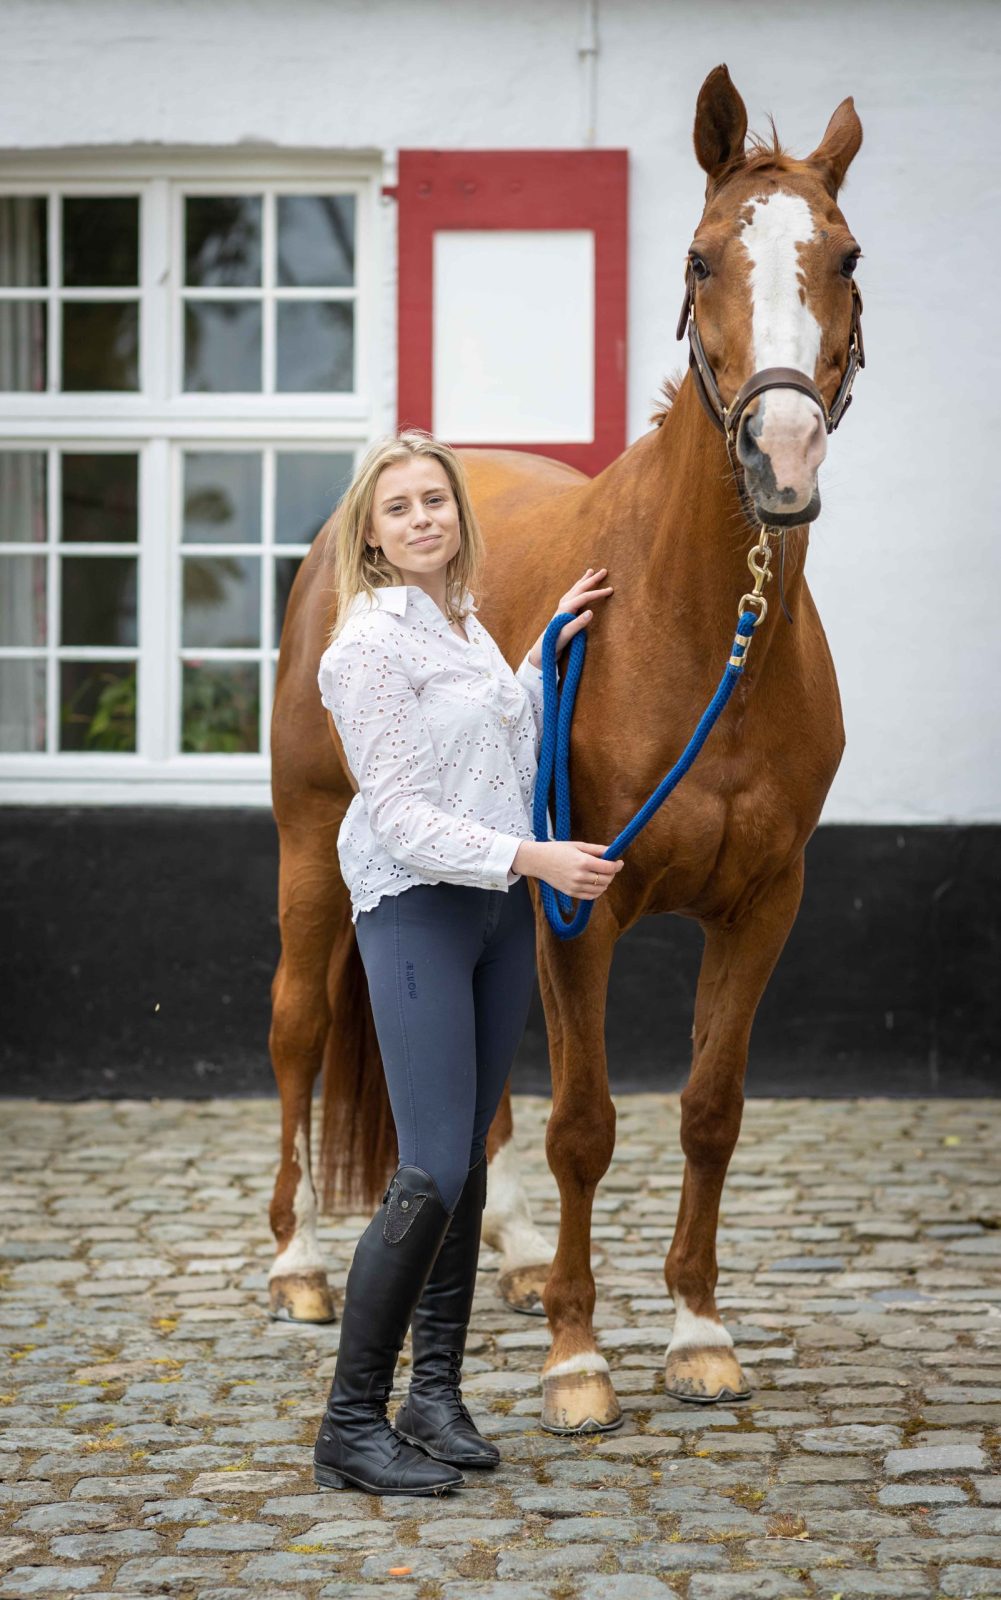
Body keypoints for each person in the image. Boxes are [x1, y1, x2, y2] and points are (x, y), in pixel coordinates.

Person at [311, 429, 621, 1497]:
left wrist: (543, 648)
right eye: (397, 507)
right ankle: (349, 1424)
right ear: (370, 534)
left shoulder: (464, 626)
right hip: (416, 914)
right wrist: (536, 859)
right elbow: (400, 815)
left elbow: (498, 734)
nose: (421, 519)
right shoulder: (366, 648)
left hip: (490, 916)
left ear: (457, 515)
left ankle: (432, 1397)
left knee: (473, 1164)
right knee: (434, 1166)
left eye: (434, 501)